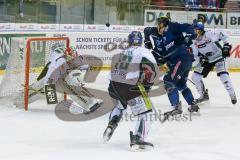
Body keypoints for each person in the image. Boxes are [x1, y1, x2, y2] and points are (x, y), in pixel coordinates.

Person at [103, 31, 158, 151]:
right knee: (147, 113)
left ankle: (112, 124)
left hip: (113, 86)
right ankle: (138, 139)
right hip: (130, 86)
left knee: (120, 106)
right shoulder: (143, 51)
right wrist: (148, 85)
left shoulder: (123, 52)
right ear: (141, 41)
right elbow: (153, 69)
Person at [13, 43, 102, 113]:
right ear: (67, 56)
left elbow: (81, 66)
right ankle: (19, 101)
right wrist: (50, 94)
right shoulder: (59, 62)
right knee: (38, 89)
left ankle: (91, 102)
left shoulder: (74, 57)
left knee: (73, 87)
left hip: (62, 75)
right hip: (50, 75)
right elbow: (49, 78)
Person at [144, 16, 199, 121]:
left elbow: (188, 27)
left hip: (181, 59)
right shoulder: (154, 31)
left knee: (168, 81)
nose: (158, 28)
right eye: (157, 26)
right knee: (180, 85)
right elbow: (146, 30)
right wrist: (147, 41)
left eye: (160, 26)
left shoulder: (173, 27)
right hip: (177, 60)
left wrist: (189, 35)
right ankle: (193, 104)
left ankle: (176, 107)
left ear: (165, 25)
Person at [191, 21, 237, 104]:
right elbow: (195, 55)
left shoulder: (209, 34)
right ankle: (203, 95)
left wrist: (226, 45)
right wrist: (200, 58)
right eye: (194, 30)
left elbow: (222, 33)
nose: (195, 31)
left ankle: (232, 94)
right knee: (195, 77)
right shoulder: (194, 41)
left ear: (201, 30)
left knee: (223, 76)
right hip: (207, 60)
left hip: (218, 57)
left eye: (196, 30)